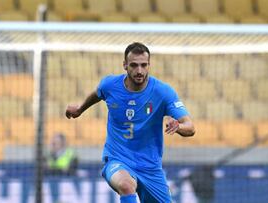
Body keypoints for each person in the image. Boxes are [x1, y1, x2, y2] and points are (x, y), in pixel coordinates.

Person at [65, 42, 195, 202]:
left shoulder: (162, 92)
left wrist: (178, 127)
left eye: (143, 65)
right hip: (117, 159)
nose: (139, 71)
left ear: (149, 65)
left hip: (150, 168)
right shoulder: (110, 85)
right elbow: (97, 93)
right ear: (125, 65)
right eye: (134, 65)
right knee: (126, 185)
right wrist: (80, 109)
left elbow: (190, 127)